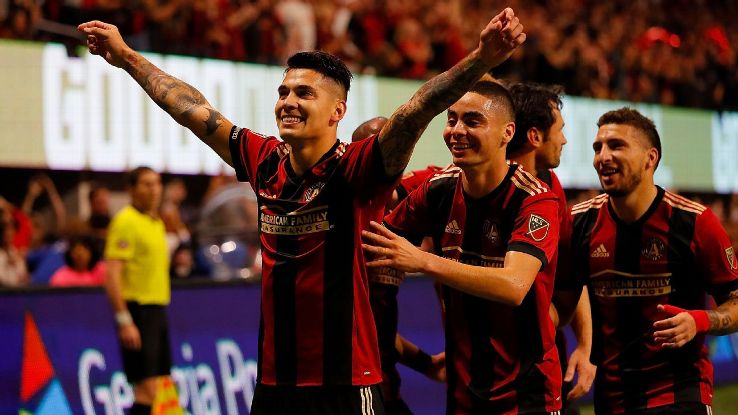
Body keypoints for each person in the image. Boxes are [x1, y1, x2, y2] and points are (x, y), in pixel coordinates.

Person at [78, 8, 526, 415]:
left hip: (348, 387)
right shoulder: (263, 161)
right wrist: (127, 57)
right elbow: (191, 108)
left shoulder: (358, 170)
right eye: (284, 91)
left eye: (305, 93)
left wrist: (481, 60)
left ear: (337, 112)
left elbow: (416, 111)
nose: (288, 101)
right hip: (274, 387)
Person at [362, 80, 562, 414]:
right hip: (463, 391)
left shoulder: (535, 199)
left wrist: (423, 261)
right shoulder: (437, 189)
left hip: (528, 393)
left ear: (507, 132)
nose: (456, 130)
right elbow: (375, 237)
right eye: (451, 119)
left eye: (472, 121)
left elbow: (514, 285)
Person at [559, 108, 738, 414]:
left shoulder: (694, 222)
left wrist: (700, 321)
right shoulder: (578, 223)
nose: (602, 156)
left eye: (616, 145)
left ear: (650, 158)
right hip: (611, 399)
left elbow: (735, 302)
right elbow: (562, 303)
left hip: (680, 393)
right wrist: (584, 347)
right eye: (597, 147)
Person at [507, 81, 596, 414]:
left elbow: (568, 275)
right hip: (480, 373)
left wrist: (585, 347)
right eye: (560, 129)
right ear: (534, 136)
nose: (565, 139)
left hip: (542, 367)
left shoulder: (551, 187)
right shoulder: (463, 182)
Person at [352, 117, 446, 415]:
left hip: (386, 386)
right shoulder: (344, 219)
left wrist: (425, 364)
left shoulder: (402, 211)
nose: (390, 153)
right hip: (353, 388)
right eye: (378, 146)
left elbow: (374, 327)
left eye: (398, 145)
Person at [103, 166, 173, 415]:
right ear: (131, 189)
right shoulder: (125, 221)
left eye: (156, 183)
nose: (154, 189)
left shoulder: (156, 222)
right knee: (145, 390)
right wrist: (124, 320)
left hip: (157, 309)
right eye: (146, 184)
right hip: (138, 311)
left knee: (155, 386)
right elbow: (111, 274)